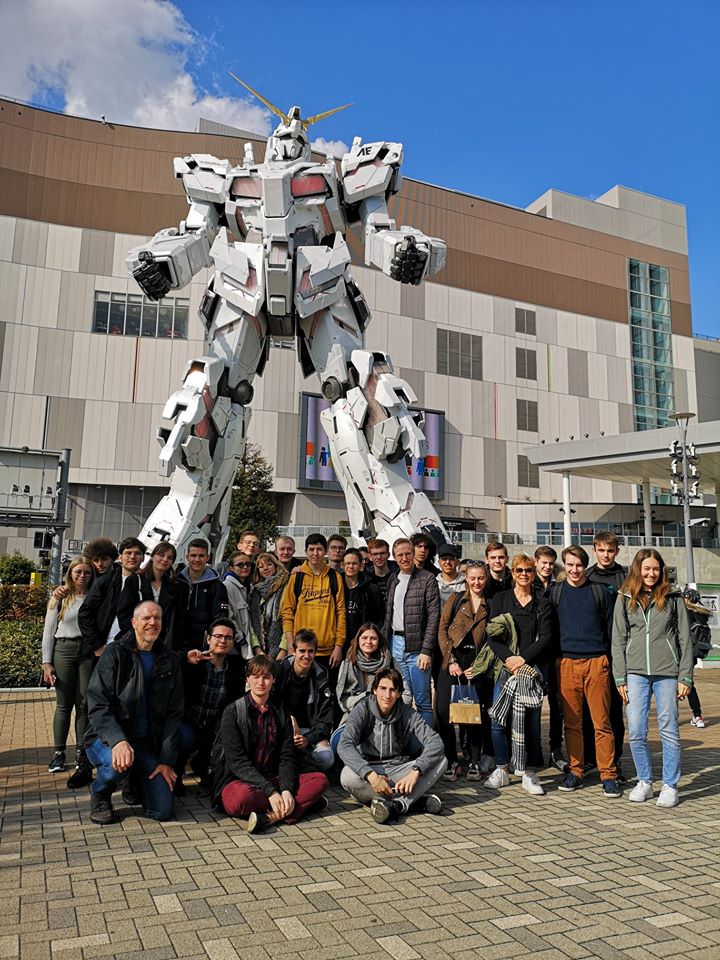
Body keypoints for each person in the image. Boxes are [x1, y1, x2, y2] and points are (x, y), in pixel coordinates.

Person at [85, 601, 183, 824]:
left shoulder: (170, 660)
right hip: (106, 739)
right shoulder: (115, 654)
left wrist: (166, 761)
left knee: (162, 811)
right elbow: (98, 703)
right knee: (115, 765)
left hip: (144, 742)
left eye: (157, 618)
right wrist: (117, 740)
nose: (152, 622)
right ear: (133, 623)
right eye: (147, 618)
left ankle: (136, 781)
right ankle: (100, 793)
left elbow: (174, 714)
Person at [612, 549, 693, 807]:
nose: (651, 573)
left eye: (655, 569)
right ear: (638, 569)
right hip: (635, 674)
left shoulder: (672, 596)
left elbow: (684, 638)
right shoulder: (625, 596)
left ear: (661, 570)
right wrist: (619, 678)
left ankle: (670, 785)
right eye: (646, 569)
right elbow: (618, 639)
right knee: (636, 730)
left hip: (667, 672)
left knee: (669, 730)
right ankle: (644, 781)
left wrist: (685, 677)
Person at [212, 654, 328, 833]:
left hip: (274, 777)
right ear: (247, 679)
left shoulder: (280, 712)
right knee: (242, 799)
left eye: (266, 677)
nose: (261, 682)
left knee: (319, 780)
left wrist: (287, 790)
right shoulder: (233, 712)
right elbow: (237, 762)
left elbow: (286, 756)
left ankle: (269, 818)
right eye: (256, 677)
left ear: (273, 680)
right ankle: (302, 806)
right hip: (243, 781)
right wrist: (271, 792)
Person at [549, 546, 621, 797]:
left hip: (596, 663)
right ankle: (576, 771)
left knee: (602, 723)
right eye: (569, 565)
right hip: (567, 663)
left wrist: (611, 663)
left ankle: (608, 775)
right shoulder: (555, 593)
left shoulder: (599, 592)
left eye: (578, 565)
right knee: (572, 723)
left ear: (585, 566)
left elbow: (612, 630)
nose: (574, 570)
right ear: (564, 565)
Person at [338, 667, 447, 823]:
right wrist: (371, 776)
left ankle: (397, 804)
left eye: (392, 690)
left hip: (397, 770)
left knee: (442, 760)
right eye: (383, 688)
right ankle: (413, 801)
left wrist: (416, 772)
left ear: (398, 694)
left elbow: (435, 742)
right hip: (370, 772)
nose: (387, 695)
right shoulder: (362, 709)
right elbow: (345, 745)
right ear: (375, 689)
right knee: (346, 776)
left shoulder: (407, 712)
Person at [484, 554, 552, 796]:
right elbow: (492, 635)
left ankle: (529, 771)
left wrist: (523, 660)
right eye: (520, 570)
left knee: (531, 723)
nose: (524, 574)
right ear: (513, 572)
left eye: (529, 570)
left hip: (530, 670)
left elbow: (546, 637)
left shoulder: (542, 602)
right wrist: (510, 660)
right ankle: (502, 767)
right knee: (498, 719)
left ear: (534, 574)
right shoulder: (500, 599)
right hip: (505, 668)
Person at [42, 556, 96, 787]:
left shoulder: (96, 597)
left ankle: (81, 753)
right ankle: (58, 753)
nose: (82, 576)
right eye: (78, 572)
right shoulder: (60, 597)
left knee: (84, 704)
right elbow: (48, 630)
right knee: (64, 705)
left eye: (86, 572)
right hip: (63, 650)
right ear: (70, 574)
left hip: (87, 652)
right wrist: (47, 662)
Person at [436, 560, 492, 781]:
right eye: (472, 578)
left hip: (476, 666)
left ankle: (474, 761)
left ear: (485, 579)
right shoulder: (455, 599)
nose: (476, 582)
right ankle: (451, 759)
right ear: (466, 578)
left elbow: (495, 638)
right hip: (452, 664)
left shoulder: (491, 604)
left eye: (480, 578)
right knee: (443, 712)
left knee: (473, 716)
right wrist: (450, 661)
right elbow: (442, 629)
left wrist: (478, 668)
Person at [178, 618, 246, 790]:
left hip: (214, 726)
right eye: (218, 636)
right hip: (189, 721)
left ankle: (204, 767)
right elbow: (165, 659)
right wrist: (183, 658)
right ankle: (177, 771)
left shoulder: (237, 666)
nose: (223, 641)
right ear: (208, 639)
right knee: (184, 739)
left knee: (212, 784)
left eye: (228, 638)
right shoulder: (195, 661)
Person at [382, 538, 440, 726]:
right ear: (394, 557)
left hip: (417, 649)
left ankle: (427, 747)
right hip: (395, 645)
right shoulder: (393, 578)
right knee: (401, 698)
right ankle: (406, 743)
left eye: (408, 553)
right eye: (400, 555)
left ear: (413, 554)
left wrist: (426, 651)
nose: (405, 558)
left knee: (422, 701)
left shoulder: (427, 578)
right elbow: (388, 615)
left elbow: (433, 617)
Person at [279, 533, 346, 669]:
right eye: (311, 549)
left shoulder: (335, 577)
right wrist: (291, 645)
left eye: (319, 549)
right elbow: (287, 613)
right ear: (306, 551)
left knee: (326, 689)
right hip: (301, 648)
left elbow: (341, 613)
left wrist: (338, 646)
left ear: (325, 551)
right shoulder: (297, 577)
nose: (315, 553)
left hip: (328, 650)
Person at [78, 537, 152, 656]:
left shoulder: (146, 583)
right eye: (128, 553)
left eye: (137, 553)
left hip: (133, 649)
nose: (132, 556)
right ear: (120, 557)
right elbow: (85, 613)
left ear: (143, 558)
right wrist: (96, 645)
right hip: (104, 648)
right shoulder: (104, 581)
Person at [273, 630, 334, 772]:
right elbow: (271, 706)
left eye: (310, 651)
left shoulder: (321, 676)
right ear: (293, 651)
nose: (306, 656)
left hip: (309, 731)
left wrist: (308, 739)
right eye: (302, 651)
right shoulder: (279, 670)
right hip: (282, 728)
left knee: (326, 759)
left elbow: (325, 720)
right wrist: (288, 720)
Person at [333, 622, 393, 748]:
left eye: (373, 638)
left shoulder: (389, 661)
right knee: (341, 742)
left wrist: (391, 708)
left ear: (379, 640)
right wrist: (365, 699)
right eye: (364, 638)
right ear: (358, 640)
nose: (369, 642)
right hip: (355, 711)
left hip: (385, 713)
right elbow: (343, 699)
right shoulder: (348, 662)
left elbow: (405, 691)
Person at [533, 546, 566, 772]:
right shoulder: (527, 581)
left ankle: (555, 750)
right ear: (536, 562)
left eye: (550, 563)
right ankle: (532, 752)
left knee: (557, 705)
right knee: (533, 705)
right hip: (533, 653)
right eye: (543, 562)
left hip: (556, 653)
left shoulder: (560, 586)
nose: (546, 567)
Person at [178, 539, 228, 650]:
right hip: (177, 645)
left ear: (208, 557)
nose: (197, 559)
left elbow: (220, 618)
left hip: (203, 646)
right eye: (193, 555)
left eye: (201, 556)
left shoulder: (217, 586)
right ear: (187, 557)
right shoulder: (177, 582)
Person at [141, 542, 190, 651]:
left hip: (163, 641)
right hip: (139, 637)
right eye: (161, 555)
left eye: (170, 558)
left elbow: (181, 618)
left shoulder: (178, 587)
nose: (165, 560)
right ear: (153, 556)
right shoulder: (137, 580)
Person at [248, 552, 289, 659]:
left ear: (276, 566)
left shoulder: (287, 585)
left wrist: (283, 649)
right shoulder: (254, 592)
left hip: (282, 647)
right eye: (261, 566)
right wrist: (257, 649)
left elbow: (289, 617)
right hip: (260, 650)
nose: (265, 568)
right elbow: (251, 621)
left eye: (269, 564)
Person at [340, 548, 384, 647]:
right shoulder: (335, 586)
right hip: (340, 642)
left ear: (361, 566)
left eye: (354, 563)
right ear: (342, 565)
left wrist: (369, 636)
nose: (351, 566)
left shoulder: (371, 588)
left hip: (363, 642)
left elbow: (379, 616)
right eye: (348, 563)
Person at [222, 551, 258, 658]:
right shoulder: (226, 586)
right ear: (231, 568)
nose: (245, 567)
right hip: (237, 646)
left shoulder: (249, 587)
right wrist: (240, 638)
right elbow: (228, 616)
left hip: (248, 645)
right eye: (240, 565)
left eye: (248, 564)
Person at [366, 538, 397, 608]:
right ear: (370, 556)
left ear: (388, 555)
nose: (379, 557)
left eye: (382, 553)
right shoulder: (365, 579)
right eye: (375, 554)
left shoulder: (399, 575)